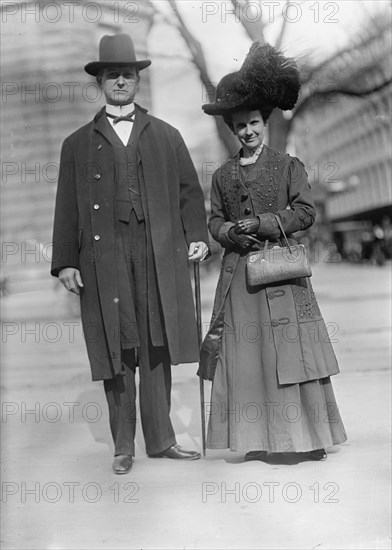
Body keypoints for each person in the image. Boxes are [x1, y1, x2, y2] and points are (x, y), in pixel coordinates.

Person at [51, 34, 209, 474]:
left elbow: (188, 193)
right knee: (117, 346)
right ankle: (123, 446)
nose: (120, 81)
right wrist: (66, 260)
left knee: (156, 342)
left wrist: (196, 233)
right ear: (100, 82)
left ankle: (162, 440)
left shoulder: (166, 135)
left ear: (138, 81)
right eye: (112, 75)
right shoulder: (76, 145)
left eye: (128, 75)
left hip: (157, 251)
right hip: (103, 256)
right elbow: (66, 206)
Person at [200, 43, 347, 461]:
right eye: (240, 126)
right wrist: (230, 230)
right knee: (249, 357)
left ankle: (304, 439)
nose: (247, 132)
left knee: (290, 354)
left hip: (282, 273)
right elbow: (213, 222)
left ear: (264, 122)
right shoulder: (223, 175)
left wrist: (262, 224)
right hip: (241, 280)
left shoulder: (288, 166)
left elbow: (305, 212)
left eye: (253, 123)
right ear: (232, 129)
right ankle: (256, 441)